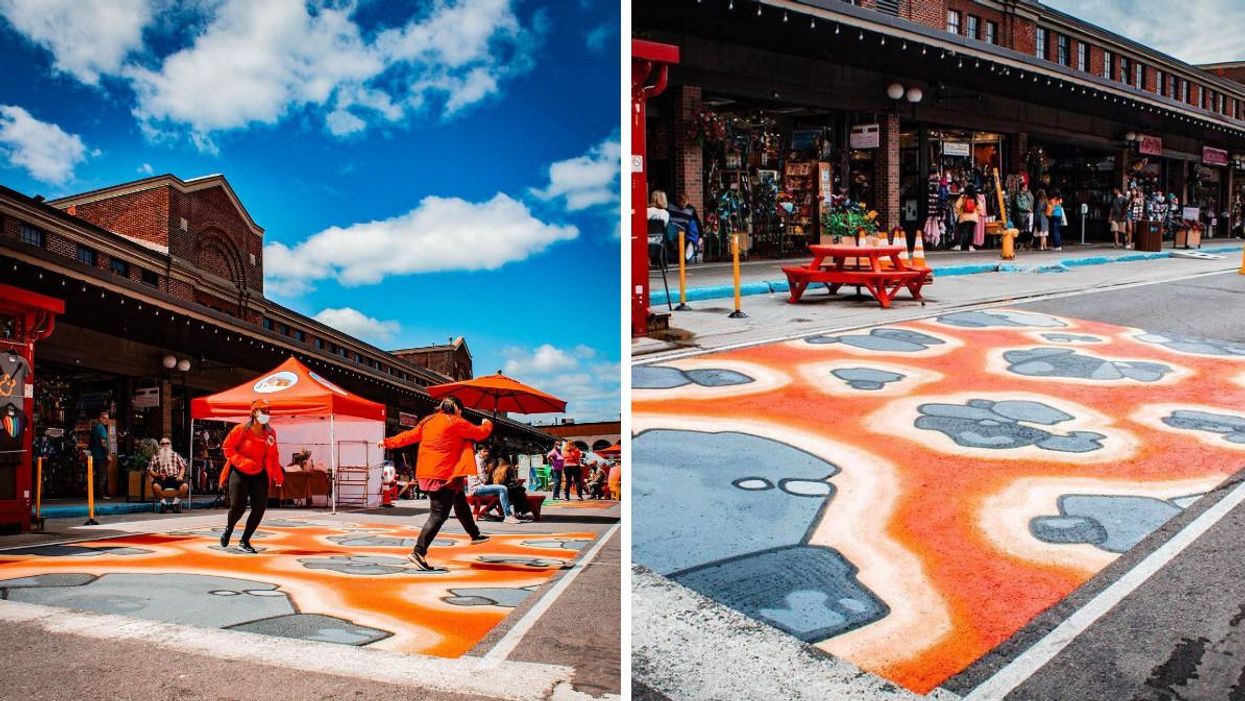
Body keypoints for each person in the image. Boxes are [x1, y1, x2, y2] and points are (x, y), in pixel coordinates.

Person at [380, 397, 492, 571]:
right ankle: (419, 551)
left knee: (460, 501)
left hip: (432, 473)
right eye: (460, 410)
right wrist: (487, 423)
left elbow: (409, 436)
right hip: (444, 475)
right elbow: (480, 433)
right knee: (438, 514)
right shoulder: (456, 422)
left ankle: (474, 534)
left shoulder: (428, 420)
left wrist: (388, 442)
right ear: (457, 409)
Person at [219, 400, 284, 553]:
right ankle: (229, 529)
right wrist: (243, 461)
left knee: (260, 507)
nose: (267, 414)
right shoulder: (240, 429)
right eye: (264, 411)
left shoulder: (270, 433)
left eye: (268, 411)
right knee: (238, 507)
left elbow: (273, 455)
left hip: (260, 473)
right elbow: (227, 448)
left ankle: (245, 540)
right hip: (240, 472)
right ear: (255, 412)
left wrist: (278, 476)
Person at [469, 445, 521, 524]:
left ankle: (486, 512)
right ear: (479, 451)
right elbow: (484, 479)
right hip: (477, 488)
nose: (487, 453)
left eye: (487, 451)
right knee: (503, 488)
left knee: (501, 491)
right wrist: (489, 470)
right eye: (484, 451)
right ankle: (508, 515)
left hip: (477, 487)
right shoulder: (479, 461)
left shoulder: (479, 459)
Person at [147, 436, 188, 513]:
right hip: (161, 478)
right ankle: (163, 504)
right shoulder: (156, 456)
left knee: (185, 486)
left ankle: (175, 504)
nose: (165, 445)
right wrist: (157, 475)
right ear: (160, 445)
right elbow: (150, 469)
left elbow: (183, 467)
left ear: (170, 445)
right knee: (155, 486)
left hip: (175, 477)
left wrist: (180, 476)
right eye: (163, 443)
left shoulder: (176, 455)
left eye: (167, 443)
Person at [89, 410, 111, 500]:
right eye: (104, 418)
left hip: (95, 455)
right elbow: (103, 442)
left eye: (107, 419)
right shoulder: (101, 428)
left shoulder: (96, 427)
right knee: (102, 475)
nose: (106, 420)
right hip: (101, 456)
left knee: (98, 475)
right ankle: (100, 494)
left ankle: (97, 493)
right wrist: (107, 453)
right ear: (100, 418)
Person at [953, 185, 979, 251]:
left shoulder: (963, 197)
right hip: (973, 218)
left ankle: (959, 245)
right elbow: (980, 208)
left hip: (964, 217)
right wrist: (977, 214)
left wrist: (958, 212)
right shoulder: (975, 198)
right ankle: (971, 246)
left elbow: (957, 205)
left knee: (961, 231)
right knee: (971, 232)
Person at [1014, 182, 1034, 249]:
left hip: (1027, 214)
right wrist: (1025, 208)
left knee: (1027, 229)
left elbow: (1031, 201)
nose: (1026, 188)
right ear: (1022, 188)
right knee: (1021, 229)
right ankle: (1020, 243)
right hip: (1021, 214)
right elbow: (1019, 205)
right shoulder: (1018, 196)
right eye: (1025, 187)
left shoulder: (1027, 195)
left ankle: (1026, 243)